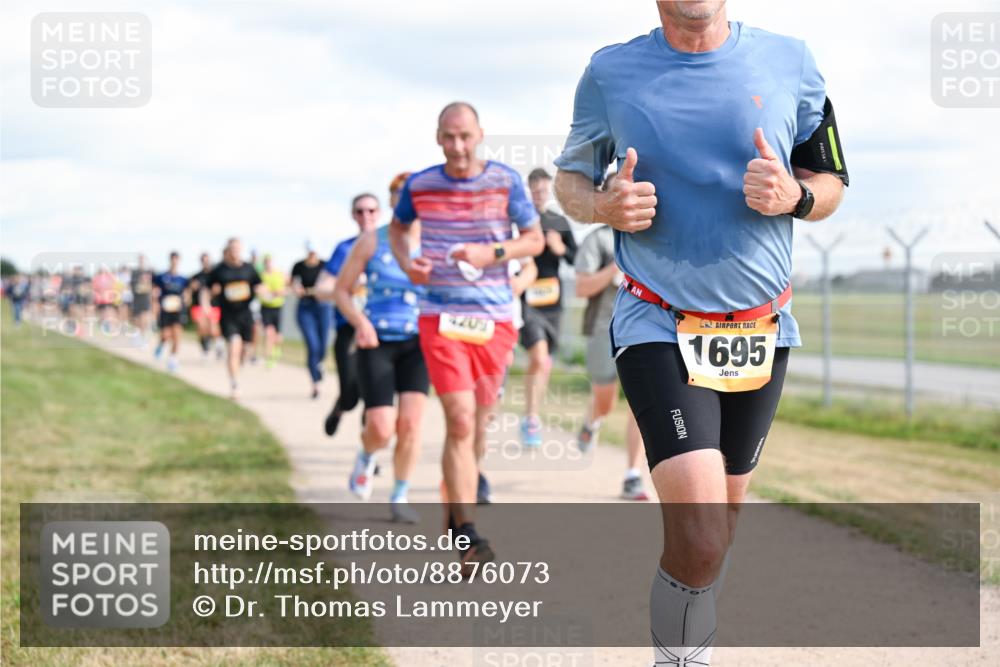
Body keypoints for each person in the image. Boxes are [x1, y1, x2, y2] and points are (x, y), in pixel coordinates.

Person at [553, 2, 848, 664]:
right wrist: (602, 205)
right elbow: (569, 182)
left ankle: (686, 640)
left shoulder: (792, 61)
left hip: (762, 329)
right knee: (702, 534)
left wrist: (796, 196)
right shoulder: (610, 72)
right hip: (657, 320)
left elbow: (832, 179)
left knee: (721, 530)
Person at [389, 101, 544, 570]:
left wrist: (489, 253)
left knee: (478, 426)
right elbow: (398, 230)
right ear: (438, 138)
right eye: (449, 136)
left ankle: (457, 511)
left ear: (480, 135)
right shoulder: (420, 185)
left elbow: (533, 240)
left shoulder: (505, 181)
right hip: (441, 317)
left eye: (465, 136)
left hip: (494, 321)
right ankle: (470, 535)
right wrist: (408, 264)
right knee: (458, 420)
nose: (457, 146)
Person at [334, 198, 427, 524]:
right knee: (381, 428)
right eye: (404, 198)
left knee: (411, 425)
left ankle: (400, 495)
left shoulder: (436, 240)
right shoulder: (373, 240)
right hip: (377, 341)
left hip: (419, 343)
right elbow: (342, 290)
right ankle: (367, 454)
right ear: (394, 203)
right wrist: (361, 323)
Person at [574, 221, 648, 501]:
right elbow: (581, 287)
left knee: (641, 405)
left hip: (646, 330)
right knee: (605, 401)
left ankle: (632, 475)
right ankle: (592, 421)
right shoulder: (600, 239)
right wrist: (616, 267)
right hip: (604, 329)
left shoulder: (653, 234)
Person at [518, 167, 577, 447]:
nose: (539, 194)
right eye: (535, 190)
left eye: (544, 190)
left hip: (553, 302)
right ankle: (531, 419)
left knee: (544, 363)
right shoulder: (520, 220)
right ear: (529, 190)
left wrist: (559, 248)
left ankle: (532, 415)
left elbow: (576, 258)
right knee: (539, 357)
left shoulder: (558, 221)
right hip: (526, 300)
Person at [318, 195, 377, 431]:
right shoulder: (344, 249)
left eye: (371, 210)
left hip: (382, 330)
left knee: (376, 398)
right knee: (351, 396)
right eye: (360, 211)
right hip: (349, 328)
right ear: (353, 215)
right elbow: (322, 288)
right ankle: (341, 407)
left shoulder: (390, 246)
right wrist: (345, 288)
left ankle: (368, 449)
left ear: (379, 213)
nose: (366, 216)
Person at [208, 238, 263, 399]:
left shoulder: (249, 268)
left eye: (237, 248)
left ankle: (239, 365)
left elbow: (258, 284)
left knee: (244, 350)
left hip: (245, 315)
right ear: (228, 250)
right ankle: (235, 384)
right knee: (233, 347)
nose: (234, 252)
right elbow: (208, 288)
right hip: (228, 316)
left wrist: (263, 291)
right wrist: (210, 299)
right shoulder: (219, 270)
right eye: (232, 249)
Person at [292, 246, 332, 398]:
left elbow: (333, 281)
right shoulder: (298, 266)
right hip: (305, 308)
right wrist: (297, 289)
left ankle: (319, 365)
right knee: (312, 345)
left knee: (323, 346)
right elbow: (294, 283)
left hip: (323, 307)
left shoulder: (325, 265)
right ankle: (315, 384)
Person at [152, 252, 190, 373]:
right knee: (166, 335)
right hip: (165, 310)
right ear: (170, 260)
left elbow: (187, 294)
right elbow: (155, 292)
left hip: (178, 310)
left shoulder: (183, 279)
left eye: (176, 259)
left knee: (177, 335)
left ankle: (173, 359)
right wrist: (155, 302)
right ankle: (161, 344)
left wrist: (186, 300)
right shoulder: (161, 277)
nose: (174, 262)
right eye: (173, 259)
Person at [189, 252, 225, 360]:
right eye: (203, 260)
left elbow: (219, 289)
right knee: (202, 327)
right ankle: (205, 347)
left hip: (213, 305)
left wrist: (211, 293)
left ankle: (218, 344)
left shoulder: (216, 275)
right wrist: (193, 288)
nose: (205, 262)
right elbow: (191, 289)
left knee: (213, 328)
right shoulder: (196, 276)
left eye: (207, 260)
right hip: (199, 305)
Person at [258, 254, 287, 368]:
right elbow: (258, 289)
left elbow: (285, 290)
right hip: (265, 307)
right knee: (268, 332)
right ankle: (269, 358)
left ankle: (277, 349)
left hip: (277, 306)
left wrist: (277, 292)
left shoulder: (280, 274)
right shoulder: (261, 276)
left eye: (269, 261)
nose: (268, 263)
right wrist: (262, 292)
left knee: (278, 335)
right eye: (266, 262)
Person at [130, 255, 154, 340]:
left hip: (145, 298)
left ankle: (143, 335)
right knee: (137, 319)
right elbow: (133, 285)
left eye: (143, 259)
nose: (142, 261)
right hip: (137, 298)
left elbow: (151, 285)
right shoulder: (134, 272)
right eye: (140, 259)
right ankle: (138, 334)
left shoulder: (148, 272)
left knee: (144, 317)